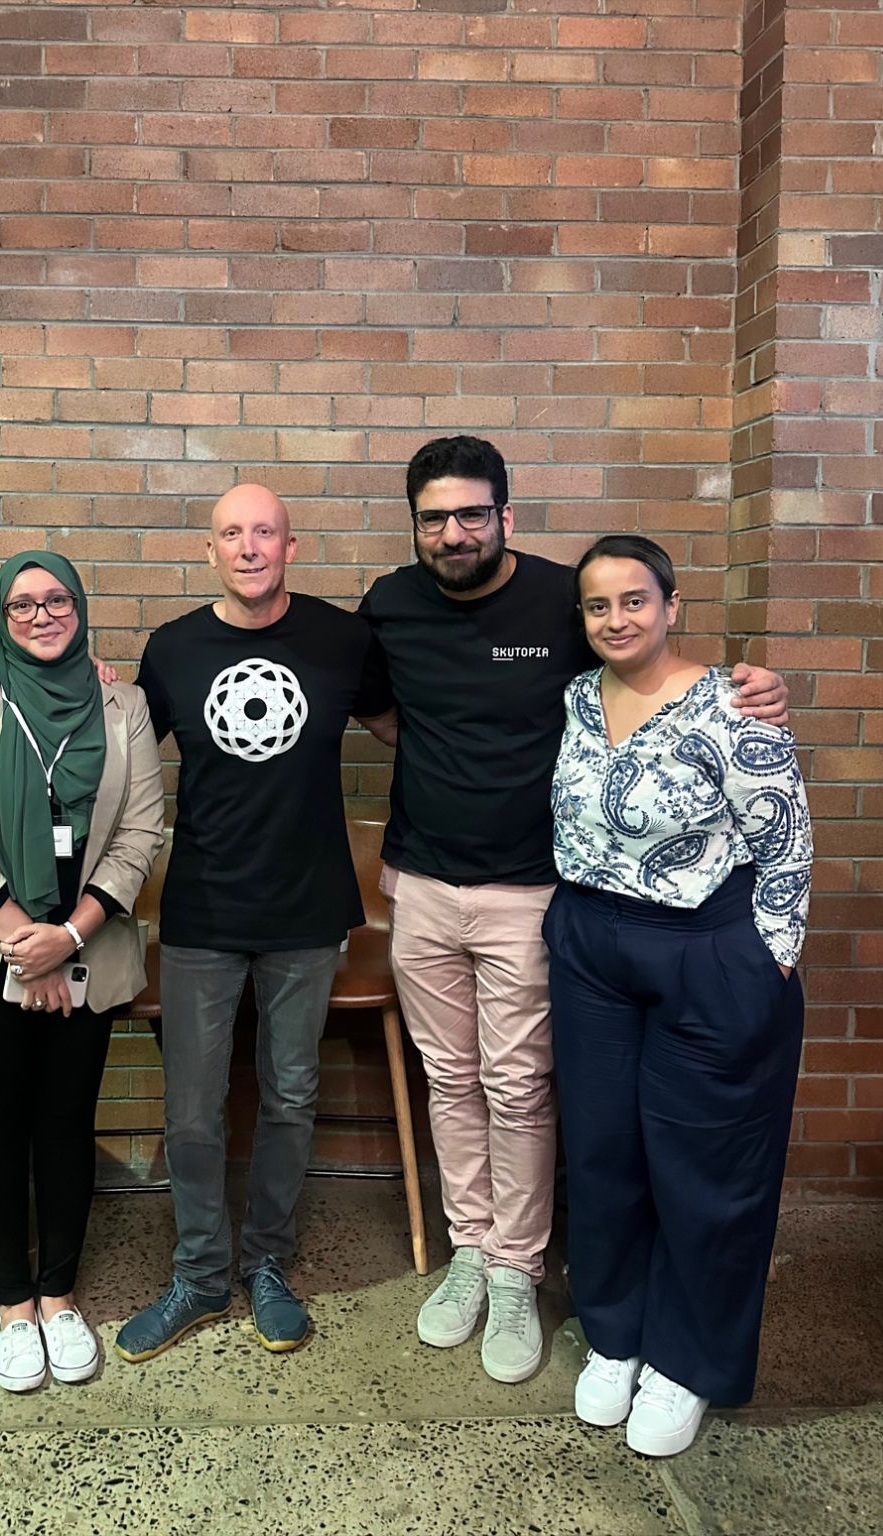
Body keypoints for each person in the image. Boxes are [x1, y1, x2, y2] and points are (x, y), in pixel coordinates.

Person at [356, 437, 789, 1385]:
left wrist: (745, 689)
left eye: (473, 513)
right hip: (420, 885)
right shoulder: (389, 603)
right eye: (434, 518)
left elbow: (644, 661)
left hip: (531, 891)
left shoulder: (565, 598)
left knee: (518, 1086)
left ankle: (517, 1269)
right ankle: (471, 1249)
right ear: (414, 526)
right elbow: (386, 716)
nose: (454, 532)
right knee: (450, 1079)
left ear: (505, 516)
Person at [543, 534, 811, 1455]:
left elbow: (785, 841)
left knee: (705, 1165)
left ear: (671, 605)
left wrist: (770, 958)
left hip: (706, 948)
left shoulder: (734, 702)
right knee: (603, 1152)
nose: (616, 619)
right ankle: (616, 1333)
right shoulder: (579, 698)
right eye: (598, 606)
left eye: (634, 600)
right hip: (591, 945)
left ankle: (686, 1361)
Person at [115, 484, 394, 1362]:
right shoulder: (174, 648)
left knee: (292, 1095)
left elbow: (410, 725)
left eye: (263, 532)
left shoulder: (342, 640)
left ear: (290, 546)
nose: (248, 547)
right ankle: (201, 1275)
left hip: (306, 909)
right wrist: (90, 693)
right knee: (193, 1109)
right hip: (203, 908)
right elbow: (120, 749)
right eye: (231, 534)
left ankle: (267, 1261)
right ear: (210, 552)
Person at [0, 552, 163, 1394]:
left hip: (88, 953)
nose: (42, 615)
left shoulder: (124, 705)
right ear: (0, 616)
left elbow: (140, 833)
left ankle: (58, 1297)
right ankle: (12, 1306)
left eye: (57, 600)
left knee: (65, 1126)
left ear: (80, 608)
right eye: (22, 604)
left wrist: (72, 934)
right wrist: (29, 943)